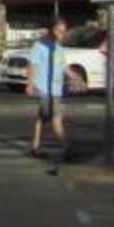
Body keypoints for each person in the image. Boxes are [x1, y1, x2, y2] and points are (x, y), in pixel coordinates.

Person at [27, 17, 69, 162]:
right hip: (45, 89)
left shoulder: (59, 48)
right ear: (52, 30)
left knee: (42, 119)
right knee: (56, 119)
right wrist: (29, 84)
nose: (62, 34)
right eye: (59, 31)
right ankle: (66, 149)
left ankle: (35, 148)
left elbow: (63, 66)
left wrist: (75, 77)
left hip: (56, 89)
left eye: (64, 31)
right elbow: (32, 65)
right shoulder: (40, 45)